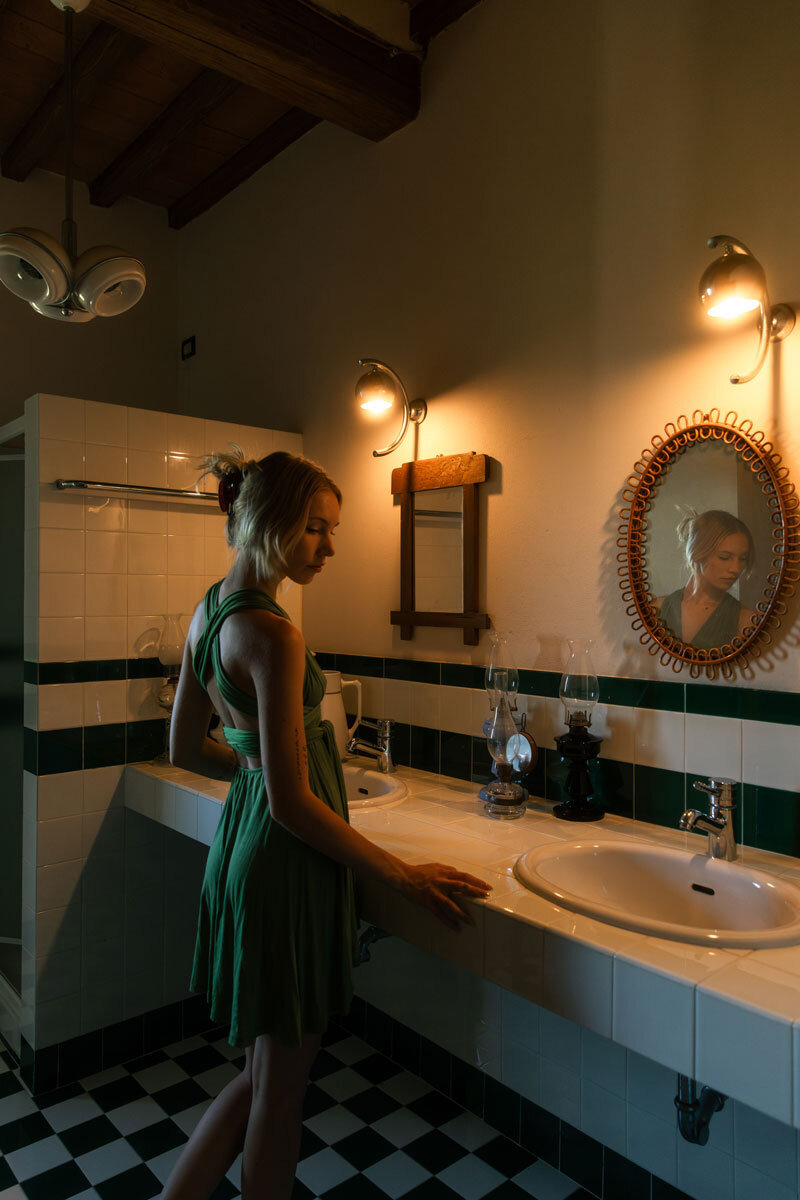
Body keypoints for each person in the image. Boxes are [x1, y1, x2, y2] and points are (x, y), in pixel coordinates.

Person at [162, 449, 491, 1200]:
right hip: (285, 862)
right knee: (281, 1088)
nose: (330, 548)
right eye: (316, 529)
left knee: (260, 1073)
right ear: (270, 521)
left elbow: (184, 746)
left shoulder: (208, 609)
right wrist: (402, 874)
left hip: (243, 845)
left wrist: (254, 768)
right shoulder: (276, 635)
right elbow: (294, 804)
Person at [652, 509, 757, 648]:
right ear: (697, 554)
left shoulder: (746, 621)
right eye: (724, 557)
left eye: (742, 559)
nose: (736, 569)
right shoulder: (656, 609)